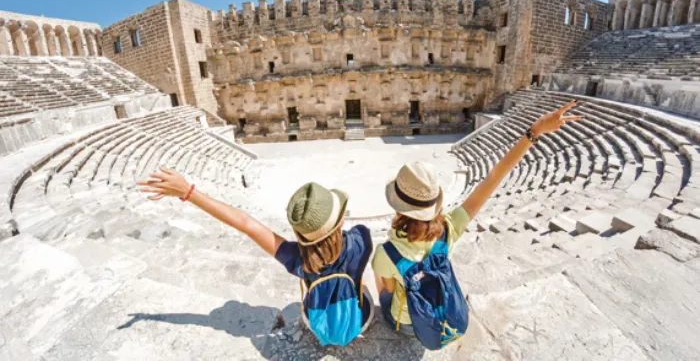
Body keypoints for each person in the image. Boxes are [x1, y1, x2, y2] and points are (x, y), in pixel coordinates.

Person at [372, 101, 582, 343]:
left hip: (410, 325)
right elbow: (494, 178)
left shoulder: (386, 252)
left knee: (384, 290)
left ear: (398, 206)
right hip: (443, 312)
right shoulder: (450, 228)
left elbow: (387, 290)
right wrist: (533, 132)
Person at [138, 173, 373, 346]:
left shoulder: (297, 259)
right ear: (340, 221)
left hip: (316, 322)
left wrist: (190, 193)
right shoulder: (362, 239)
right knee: (361, 284)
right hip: (357, 320)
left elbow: (246, 224)